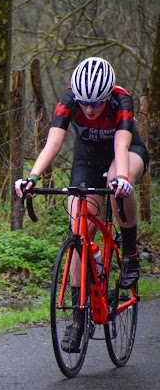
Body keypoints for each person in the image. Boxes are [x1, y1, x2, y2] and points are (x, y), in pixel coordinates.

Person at [14, 57, 149, 352]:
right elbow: (53, 143)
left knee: (117, 184)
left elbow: (122, 145)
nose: (89, 109)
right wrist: (33, 178)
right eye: (84, 102)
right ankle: (78, 316)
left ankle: (129, 252)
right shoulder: (68, 100)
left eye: (96, 103)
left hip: (126, 153)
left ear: (107, 96)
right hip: (87, 157)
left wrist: (122, 178)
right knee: (79, 223)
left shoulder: (121, 100)